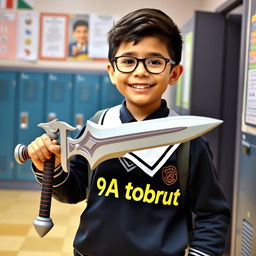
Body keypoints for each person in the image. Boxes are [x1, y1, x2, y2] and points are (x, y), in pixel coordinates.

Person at [28, 8, 230, 256]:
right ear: (112, 72)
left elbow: (212, 215)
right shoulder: (98, 125)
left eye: (155, 61)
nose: (140, 71)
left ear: (174, 73)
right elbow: (72, 192)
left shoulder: (189, 140)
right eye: (128, 61)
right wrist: (51, 167)